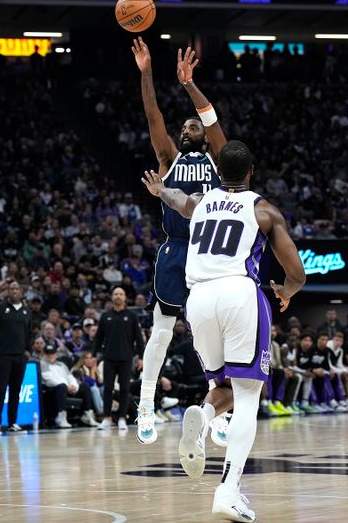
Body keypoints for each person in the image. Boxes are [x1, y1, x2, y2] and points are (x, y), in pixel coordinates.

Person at [142, 139, 306, 521]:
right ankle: (228, 490)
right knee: (248, 397)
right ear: (251, 172)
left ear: (219, 173)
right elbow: (296, 272)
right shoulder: (263, 209)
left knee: (225, 387)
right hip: (237, 293)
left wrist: (159, 189)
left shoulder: (201, 203)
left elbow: (177, 200)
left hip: (196, 299)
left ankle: (203, 415)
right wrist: (287, 291)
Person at [131, 39, 224, 445]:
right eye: (183, 127)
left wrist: (191, 86)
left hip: (211, 252)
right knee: (162, 332)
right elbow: (152, 115)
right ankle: (146, 404)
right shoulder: (169, 158)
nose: (186, 130)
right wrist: (146, 72)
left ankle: (219, 411)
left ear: (204, 135)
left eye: (193, 127)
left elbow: (214, 122)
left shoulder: (218, 160)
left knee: (212, 336)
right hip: (176, 251)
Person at [0, 282, 33, 434]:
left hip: (20, 356)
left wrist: (28, 350)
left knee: (16, 390)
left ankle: (12, 422)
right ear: (7, 292)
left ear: (21, 291)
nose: (14, 291)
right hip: (2, 355)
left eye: (16, 288)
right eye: (11, 289)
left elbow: (29, 333)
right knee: (1, 389)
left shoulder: (26, 311)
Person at [93, 287, 145, 431]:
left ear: (125, 298)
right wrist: (93, 355)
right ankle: (106, 418)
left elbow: (139, 339)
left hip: (126, 358)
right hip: (108, 358)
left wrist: (141, 357)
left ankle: (122, 418)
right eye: (116, 294)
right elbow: (98, 338)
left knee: (125, 389)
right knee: (108, 388)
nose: (118, 296)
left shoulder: (132, 316)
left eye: (121, 294)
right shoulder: (105, 316)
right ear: (112, 297)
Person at [40, 343, 99, 428]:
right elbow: (48, 379)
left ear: (56, 354)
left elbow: (70, 377)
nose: (50, 356)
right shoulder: (41, 364)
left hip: (67, 388)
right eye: (48, 354)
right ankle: (60, 416)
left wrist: (74, 386)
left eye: (52, 353)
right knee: (61, 386)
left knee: (85, 386)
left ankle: (87, 415)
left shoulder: (62, 365)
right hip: (53, 389)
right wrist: (66, 386)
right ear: (44, 354)